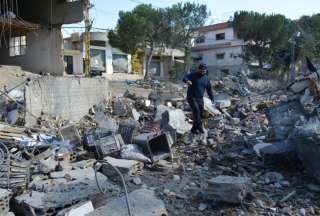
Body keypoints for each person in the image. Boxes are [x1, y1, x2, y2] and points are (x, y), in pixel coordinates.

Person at [183, 63, 214, 134]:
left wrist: (212, 98)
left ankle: (194, 129)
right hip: (191, 97)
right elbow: (185, 78)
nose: (203, 71)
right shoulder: (193, 75)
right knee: (196, 111)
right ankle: (200, 127)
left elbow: (209, 89)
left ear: (206, 70)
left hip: (200, 98)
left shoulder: (206, 78)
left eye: (204, 70)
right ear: (199, 70)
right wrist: (187, 81)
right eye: (201, 70)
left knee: (200, 114)